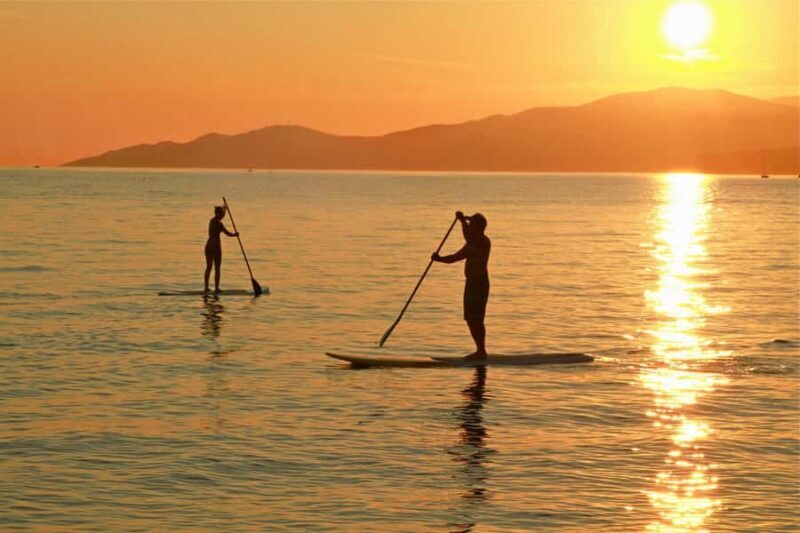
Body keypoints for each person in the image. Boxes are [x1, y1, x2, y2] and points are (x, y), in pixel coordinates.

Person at [432, 211, 491, 360]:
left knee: (477, 318)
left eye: (472, 225)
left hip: (479, 284)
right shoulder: (470, 244)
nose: (469, 227)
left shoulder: (483, 241)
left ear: (478, 227)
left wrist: (462, 221)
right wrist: (439, 259)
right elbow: (454, 257)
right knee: (470, 318)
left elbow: (468, 235)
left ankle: (481, 351)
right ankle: (480, 350)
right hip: (471, 283)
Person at [204, 205, 238, 294]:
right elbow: (227, 233)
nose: (223, 216)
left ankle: (206, 287)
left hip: (208, 245)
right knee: (217, 268)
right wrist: (235, 235)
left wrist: (225, 208)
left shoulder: (211, 221)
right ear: (219, 214)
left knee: (208, 267)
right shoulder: (219, 224)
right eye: (222, 214)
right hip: (215, 247)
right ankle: (216, 288)